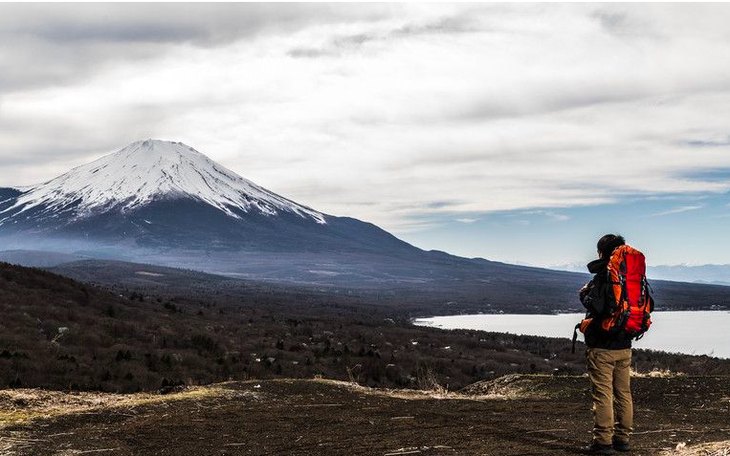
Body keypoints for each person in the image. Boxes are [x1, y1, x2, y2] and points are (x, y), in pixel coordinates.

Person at [579, 234, 633, 455]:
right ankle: (623, 439)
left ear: (602, 252)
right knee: (623, 393)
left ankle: (603, 442)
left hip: (603, 346)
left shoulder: (605, 275)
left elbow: (600, 307)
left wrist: (584, 295)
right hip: (625, 344)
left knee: (603, 394)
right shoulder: (629, 274)